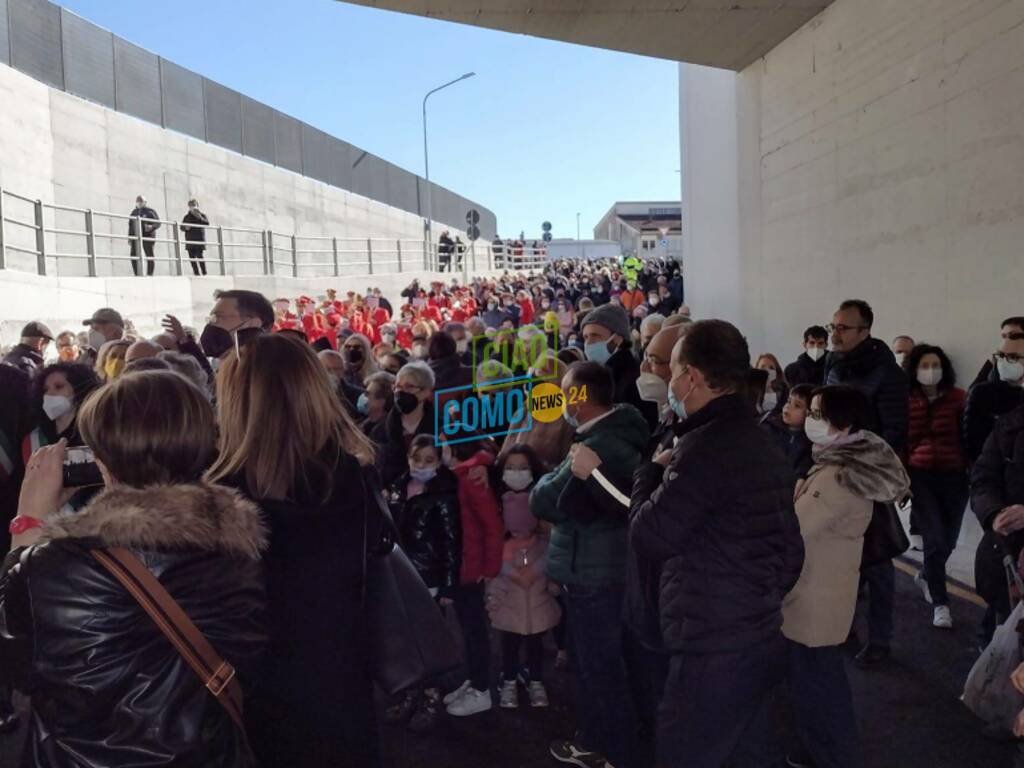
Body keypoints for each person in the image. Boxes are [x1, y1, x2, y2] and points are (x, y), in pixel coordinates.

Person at [1, 370, 267, 767]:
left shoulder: (53, 568)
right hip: (212, 754)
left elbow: (12, 663)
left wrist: (28, 522)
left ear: (102, 460)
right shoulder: (242, 549)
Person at [629, 319, 804, 768]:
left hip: (712, 641)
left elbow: (649, 535)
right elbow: (791, 551)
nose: (667, 381)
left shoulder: (704, 448)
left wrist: (650, 473)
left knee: (686, 750)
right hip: (755, 628)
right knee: (746, 749)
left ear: (692, 377)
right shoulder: (760, 439)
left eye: (671, 369)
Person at [207, 332, 380, 767]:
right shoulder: (352, 476)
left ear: (237, 400)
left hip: (251, 690)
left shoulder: (218, 495)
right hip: (342, 676)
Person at [783, 385, 909, 768]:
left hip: (816, 595)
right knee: (813, 680)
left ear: (845, 422)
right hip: (818, 590)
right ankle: (815, 749)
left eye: (819, 414)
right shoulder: (838, 462)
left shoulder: (840, 474)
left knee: (821, 684)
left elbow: (797, 529)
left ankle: (837, 755)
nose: (810, 420)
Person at [531, 361, 650, 768]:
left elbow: (544, 500)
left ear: (579, 400)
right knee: (602, 664)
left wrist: (551, 479)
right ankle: (608, 741)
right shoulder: (610, 434)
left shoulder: (600, 445)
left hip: (594, 573)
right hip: (600, 568)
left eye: (566, 392)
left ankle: (610, 750)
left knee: (599, 668)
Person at [824, 299, 908, 667]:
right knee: (838, 560)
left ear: (865, 331)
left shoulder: (886, 373)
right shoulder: (833, 365)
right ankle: (843, 629)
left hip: (867, 478)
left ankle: (881, 642)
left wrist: (872, 469)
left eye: (843, 328)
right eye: (833, 327)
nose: (835, 334)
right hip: (834, 473)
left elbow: (894, 432)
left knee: (876, 563)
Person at [385, 434, 461, 732]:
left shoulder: (443, 496)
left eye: (429, 460)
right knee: (405, 639)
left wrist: (448, 585)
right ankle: (410, 692)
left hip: (428, 578)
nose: (421, 465)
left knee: (429, 640)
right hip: (400, 574)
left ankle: (431, 695)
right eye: (417, 458)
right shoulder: (397, 488)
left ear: (439, 462)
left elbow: (452, 543)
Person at [487, 445, 560, 710]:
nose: (516, 473)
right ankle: (508, 679)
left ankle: (536, 679)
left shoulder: (543, 501)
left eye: (523, 468)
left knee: (536, 637)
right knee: (508, 637)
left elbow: (553, 539)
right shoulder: (494, 500)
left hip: (536, 579)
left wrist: (538, 569)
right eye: (510, 467)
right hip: (506, 580)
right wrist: (509, 570)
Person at [904, 345, 968, 629]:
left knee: (949, 539)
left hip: (955, 476)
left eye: (936, 364)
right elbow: (902, 440)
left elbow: (970, 435)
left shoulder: (958, 398)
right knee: (935, 539)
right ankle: (941, 604)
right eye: (924, 365)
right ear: (914, 369)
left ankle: (928, 575)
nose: (931, 370)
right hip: (921, 476)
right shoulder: (907, 400)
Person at [444, 438, 504, 717]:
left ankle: (482, 690)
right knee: (468, 627)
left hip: (472, 568)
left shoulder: (470, 479)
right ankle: (474, 680)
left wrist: (489, 568)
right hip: (464, 566)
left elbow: (492, 526)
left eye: (444, 446)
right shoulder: (461, 478)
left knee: (475, 629)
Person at [581, 303, 658, 430]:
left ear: (617, 340)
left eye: (595, 335)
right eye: (585, 337)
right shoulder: (600, 376)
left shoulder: (633, 381)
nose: (588, 343)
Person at [20, 362, 100, 470]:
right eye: (45, 389)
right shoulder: (33, 439)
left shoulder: (93, 435)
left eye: (58, 387)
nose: (49, 394)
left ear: (78, 390)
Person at [964, 332, 1024, 463]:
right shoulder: (982, 392)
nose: (1004, 362)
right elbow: (973, 444)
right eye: (1001, 356)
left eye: (1013, 357)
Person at [374, 360, 437, 486]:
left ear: (426, 392)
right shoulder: (379, 430)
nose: (400, 392)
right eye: (398, 386)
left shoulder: (441, 428)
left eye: (409, 387)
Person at [761, 382, 815, 479]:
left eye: (797, 406)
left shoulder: (809, 441)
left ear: (809, 414)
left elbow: (803, 468)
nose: (788, 406)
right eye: (789, 401)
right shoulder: (769, 427)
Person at [201, 290, 275, 360]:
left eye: (219, 316)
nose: (211, 323)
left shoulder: (267, 370)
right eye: (211, 318)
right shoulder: (224, 369)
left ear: (252, 324)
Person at [972, 317, 1024, 387]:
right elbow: (972, 393)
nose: (1007, 341)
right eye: (1004, 336)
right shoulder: (998, 367)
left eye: (1013, 335)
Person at [128, 195, 160, 276]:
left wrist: (151, 226)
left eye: (141, 201)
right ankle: (137, 274)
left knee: (149, 255)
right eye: (138, 201)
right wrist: (130, 237)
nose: (139, 203)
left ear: (145, 202)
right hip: (136, 237)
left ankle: (150, 274)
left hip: (148, 236)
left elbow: (158, 223)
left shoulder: (150, 211)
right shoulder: (134, 212)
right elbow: (130, 225)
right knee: (133, 255)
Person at [359, 371, 395, 439]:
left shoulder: (385, 431)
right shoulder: (364, 424)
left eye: (368, 394)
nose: (363, 396)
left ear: (382, 401)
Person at [181, 198, 210, 276]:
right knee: (191, 257)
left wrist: (199, 217)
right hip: (190, 240)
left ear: (197, 206)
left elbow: (207, 223)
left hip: (199, 239)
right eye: (191, 205)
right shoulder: (186, 217)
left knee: (200, 256)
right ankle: (196, 273)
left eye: (194, 205)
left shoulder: (202, 215)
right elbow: (182, 227)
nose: (192, 207)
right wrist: (185, 228)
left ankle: (204, 272)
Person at [755, 353, 789, 418]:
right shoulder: (748, 389)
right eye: (763, 367)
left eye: (771, 368)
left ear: (776, 372)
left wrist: (769, 390)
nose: (767, 370)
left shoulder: (784, 390)